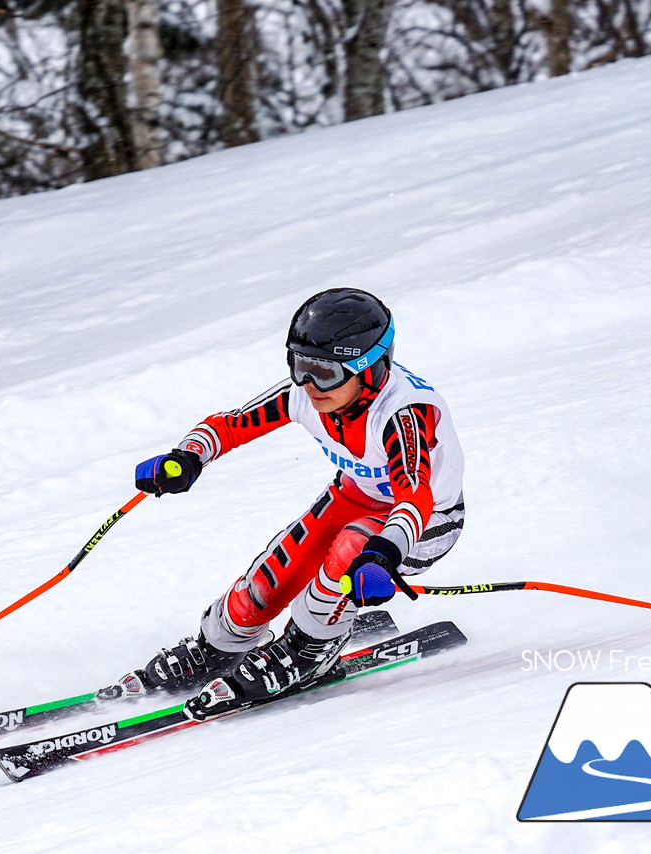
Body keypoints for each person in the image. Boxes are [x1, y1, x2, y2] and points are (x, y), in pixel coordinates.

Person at [122, 287, 465, 720]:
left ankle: (309, 648)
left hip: (425, 522)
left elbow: (415, 496)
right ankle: (217, 649)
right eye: (301, 366)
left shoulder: (401, 414)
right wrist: (187, 457)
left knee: (349, 553)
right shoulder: (304, 394)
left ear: (371, 370)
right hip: (355, 496)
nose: (308, 384)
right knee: (266, 585)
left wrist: (384, 554)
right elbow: (229, 426)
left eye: (324, 373)